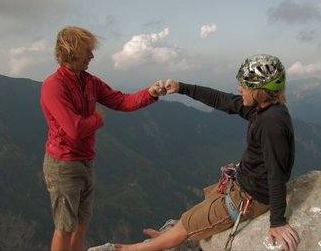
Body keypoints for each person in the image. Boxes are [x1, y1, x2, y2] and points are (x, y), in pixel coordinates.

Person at [116, 54, 299, 251]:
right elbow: (222, 100)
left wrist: (278, 222)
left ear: (259, 91)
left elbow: (276, 173)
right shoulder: (262, 109)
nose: (239, 89)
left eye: (245, 86)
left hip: (249, 198)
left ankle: (134, 249)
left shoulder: (271, 123)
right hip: (243, 184)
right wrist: (182, 88)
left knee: (187, 224)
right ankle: (170, 238)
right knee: (193, 217)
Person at [40, 26, 166, 251]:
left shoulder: (89, 81)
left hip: (85, 161)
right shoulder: (53, 86)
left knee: (81, 224)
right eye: (87, 51)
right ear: (71, 51)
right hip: (63, 165)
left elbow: (121, 101)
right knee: (64, 227)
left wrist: (151, 93)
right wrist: (97, 119)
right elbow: (74, 129)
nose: (92, 56)